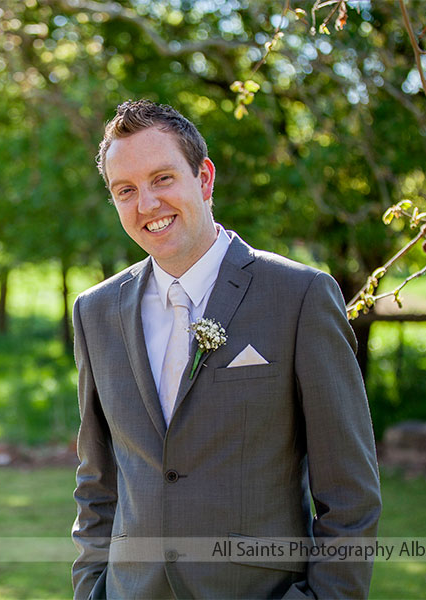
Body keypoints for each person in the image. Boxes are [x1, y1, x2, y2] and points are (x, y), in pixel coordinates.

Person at [71, 100, 382, 599]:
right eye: (125, 190)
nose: (146, 204)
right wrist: (91, 591)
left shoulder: (298, 296)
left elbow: (350, 495)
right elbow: (98, 483)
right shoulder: (95, 312)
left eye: (163, 179)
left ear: (205, 178)